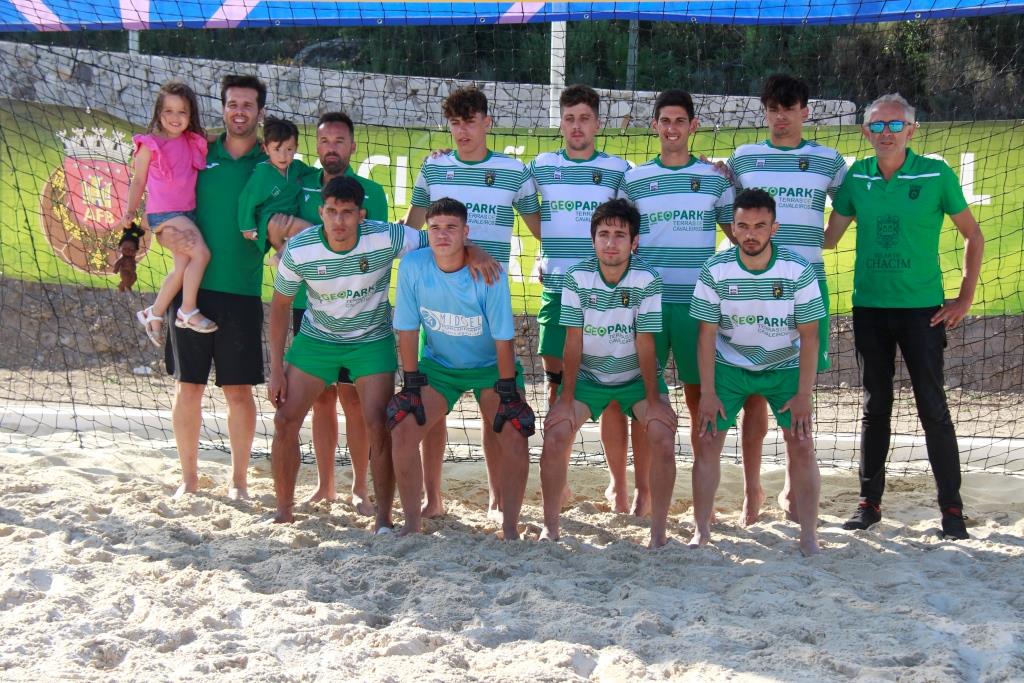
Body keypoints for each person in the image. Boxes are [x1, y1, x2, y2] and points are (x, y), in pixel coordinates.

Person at [824, 93, 984, 540]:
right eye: (877, 126)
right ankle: (868, 504)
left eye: (895, 125)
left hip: (923, 313)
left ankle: (952, 511)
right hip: (870, 308)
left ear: (912, 130)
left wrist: (964, 298)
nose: (887, 133)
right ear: (865, 132)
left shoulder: (936, 173)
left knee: (933, 407)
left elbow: (974, 235)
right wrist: (763, 221)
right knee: (876, 408)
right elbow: (829, 239)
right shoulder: (858, 176)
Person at [403, 86, 541, 521]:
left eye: (470, 121)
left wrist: (483, 252)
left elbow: (541, 230)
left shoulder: (514, 172)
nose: (462, 130)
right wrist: (468, 250)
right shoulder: (434, 167)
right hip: (443, 302)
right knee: (432, 411)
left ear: (487, 122)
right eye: (455, 122)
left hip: (488, 300)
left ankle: (498, 499)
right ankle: (433, 498)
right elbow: (413, 233)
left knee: (493, 413)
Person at [267, 177, 426, 527]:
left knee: (378, 424)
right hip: (317, 339)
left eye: (348, 213)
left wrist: (473, 253)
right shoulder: (300, 248)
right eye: (332, 212)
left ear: (361, 215)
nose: (339, 221)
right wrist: (276, 369)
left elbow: (442, 240)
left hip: (370, 340)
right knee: (284, 419)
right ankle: (283, 511)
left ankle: (384, 520)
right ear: (321, 212)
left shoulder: (386, 236)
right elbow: (279, 307)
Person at [725, 74, 848, 524]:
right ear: (765, 112)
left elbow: (849, 202)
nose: (780, 117)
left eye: (789, 108)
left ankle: (796, 493)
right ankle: (752, 490)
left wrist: (827, 239)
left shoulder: (828, 161)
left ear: (805, 111)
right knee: (753, 395)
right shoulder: (744, 158)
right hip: (754, 290)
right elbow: (730, 213)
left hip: (806, 286)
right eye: (773, 109)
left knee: (800, 389)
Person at [388, 198, 534, 539]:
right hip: (440, 368)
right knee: (402, 429)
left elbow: (503, 340)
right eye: (435, 228)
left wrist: (508, 392)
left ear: (466, 233)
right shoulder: (412, 266)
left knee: (514, 434)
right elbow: (407, 331)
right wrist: (410, 385)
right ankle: (413, 524)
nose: (442, 235)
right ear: (427, 231)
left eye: (451, 228)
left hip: (489, 368)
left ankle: (510, 529)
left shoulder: (488, 272)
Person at [690, 189, 826, 555]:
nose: (751, 234)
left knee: (801, 443)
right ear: (732, 229)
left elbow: (810, 337)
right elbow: (705, 335)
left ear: (774, 228)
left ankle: (808, 536)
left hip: (784, 366)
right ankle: (701, 529)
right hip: (730, 366)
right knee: (706, 440)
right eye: (743, 226)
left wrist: (803, 396)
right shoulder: (715, 269)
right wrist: (708, 392)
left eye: (760, 226)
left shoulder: (797, 269)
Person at [268, 112, 389, 514]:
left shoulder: (370, 191)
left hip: (358, 314)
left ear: (352, 146)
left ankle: (359, 488)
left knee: (355, 403)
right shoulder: (299, 183)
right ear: (314, 147)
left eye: (339, 140)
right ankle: (324, 485)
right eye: (324, 141)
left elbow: (370, 247)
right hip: (311, 312)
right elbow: (276, 225)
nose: (331, 147)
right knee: (319, 402)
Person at [528, 84, 642, 515]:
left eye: (585, 118)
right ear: (561, 123)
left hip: (608, 295)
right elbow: (525, 209)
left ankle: (618, 485)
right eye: (569, 118)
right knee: (558, 386)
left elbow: (632, 224)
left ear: (598, 123)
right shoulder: (540, 166)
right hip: (559, 291)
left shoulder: (617, 171)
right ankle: (561, 481)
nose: (577, 126)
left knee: (612, 389)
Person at [539, 198, 677, 548]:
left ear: (634, 242)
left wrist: (653, 401)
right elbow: (573, 341)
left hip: (634, 380)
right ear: (593, 239)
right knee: (555, 434)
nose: (611, 242)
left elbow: (646, 344)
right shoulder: (577, 277)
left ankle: (658, 532)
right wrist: (565, 400)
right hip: (589, 380)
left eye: (619, 235)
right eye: (603, 234)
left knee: (662, 434)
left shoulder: (647, 279)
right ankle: (550, 527)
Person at [163, 74, 268, 500]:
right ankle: (188, 480)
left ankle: (239, 482)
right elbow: (160, 191)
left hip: (242, 293)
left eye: (247, 104)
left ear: (260, 112)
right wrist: (156, 230)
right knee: (189, 387)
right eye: (231, 103)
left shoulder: (273, 161)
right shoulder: (196, 150)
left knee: (239, 392)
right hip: (194, 292)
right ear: (222, 107)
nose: (239, 111)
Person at [622, 89, 734, 472]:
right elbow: (620, 240)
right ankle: (644, 492)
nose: (672, 128)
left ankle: (703, 481)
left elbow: (742, 236)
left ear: (693, 126)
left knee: (700, 397)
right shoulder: (634, 180)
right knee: (643, 396)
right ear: (654, 125)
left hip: (696, 306)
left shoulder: (714, 179)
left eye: (680, 121)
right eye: (665, 121)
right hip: (648, 304)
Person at [117, 80, 216, 345]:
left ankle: (154, 311)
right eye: (168, 111)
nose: (175, 118)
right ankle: (187, 310)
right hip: (165, 213)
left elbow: (219, 138)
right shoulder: (149, 144)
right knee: (202, 254)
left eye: (182, 112)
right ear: (159, 113)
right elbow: (138, 181)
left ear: (190, 115)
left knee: (183, 266)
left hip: (187, 213)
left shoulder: (191, 140)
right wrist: (129, 211)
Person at [237, 116, 309, 258]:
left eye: (289, 149)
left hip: (288, 216)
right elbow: (247, 199)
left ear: (296, 148)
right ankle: (283, 258)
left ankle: (281, 258)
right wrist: (247, 227)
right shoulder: (263, 173)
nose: (283, 155)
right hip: (269, 219)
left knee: (300, 243)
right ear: (266, 149)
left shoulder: (296, 168)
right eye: (277, 149)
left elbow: (316, 174)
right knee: (309, 230)